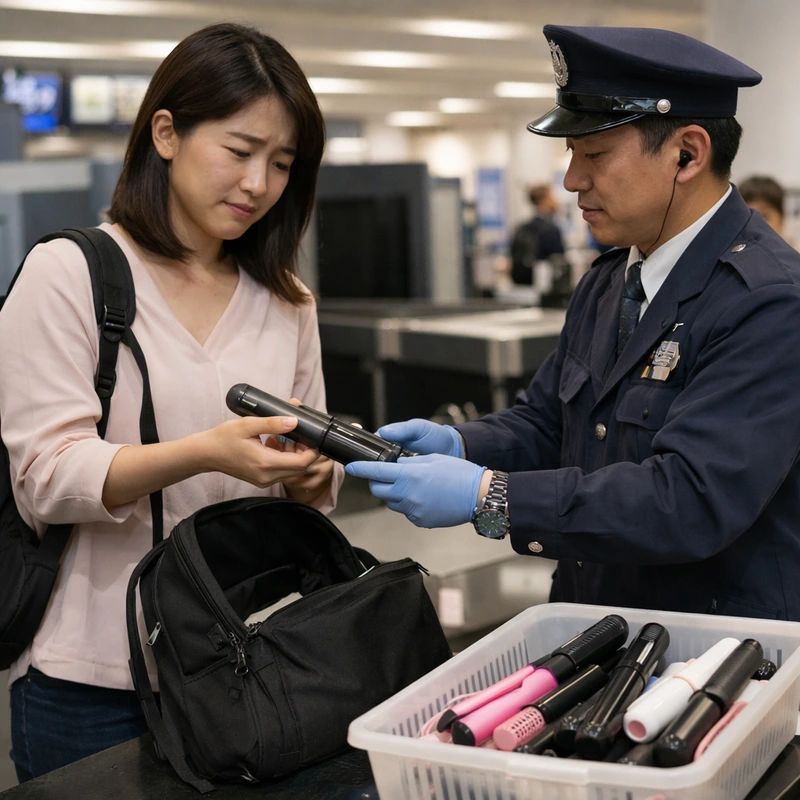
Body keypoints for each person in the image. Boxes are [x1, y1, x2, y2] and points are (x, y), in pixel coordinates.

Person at [347, 25, 800, 623]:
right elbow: (548, 421)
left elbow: (689, 500)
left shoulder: (768, 302)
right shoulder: (611, 279)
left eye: (595, 155)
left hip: (710, 645)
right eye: (571, 155)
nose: (571, 180)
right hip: (596, 616)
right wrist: (463, 444)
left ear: (687, 154)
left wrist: (491, 497)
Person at [0, 23, 342, 781]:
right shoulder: (70, 274)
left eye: (281, 164)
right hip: (91, 679)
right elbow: (47, 478)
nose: (258, 184)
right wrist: (204, 453)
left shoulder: (287, 300)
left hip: (246, 663)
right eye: (239, 150)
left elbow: (310, 477)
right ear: (166, 134)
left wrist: (315, 475)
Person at [509, 184, 565, 286]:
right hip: (546, 285)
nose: (556, 201)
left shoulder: (521, 227)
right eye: (552, 197)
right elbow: (559, 260)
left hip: (521, 283)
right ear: (542, 201)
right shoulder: (552, 229)